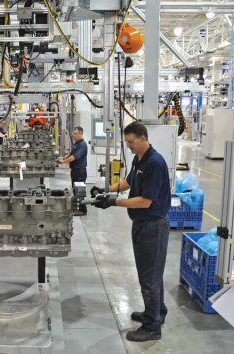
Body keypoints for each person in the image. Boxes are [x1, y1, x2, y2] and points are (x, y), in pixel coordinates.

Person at [90, 121, 171, 342]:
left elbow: (145, 201)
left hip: (153, 227)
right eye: (126, 142)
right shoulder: (140, 158)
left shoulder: (154, 163)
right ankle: (157, 312)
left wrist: (112, 202)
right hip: (143, 225)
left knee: (149, 278)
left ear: (143, 139)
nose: (128, 147)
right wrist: (105, 189)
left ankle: (152, 327)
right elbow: (128, 182)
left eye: (131, 142)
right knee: (151, 275)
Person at [57, 126, 88, 216]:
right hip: (75, 170)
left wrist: (63, 161)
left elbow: (74, 157)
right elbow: (71, 154)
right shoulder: (77, 143)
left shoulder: (82, 145)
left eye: (75, 134)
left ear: (81, 133)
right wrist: (63, 157)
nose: (74, 136)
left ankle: (83, 210)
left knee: (79, 191)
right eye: (73, 134)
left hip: (80, 171)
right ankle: (76, 208)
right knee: (75, 190)